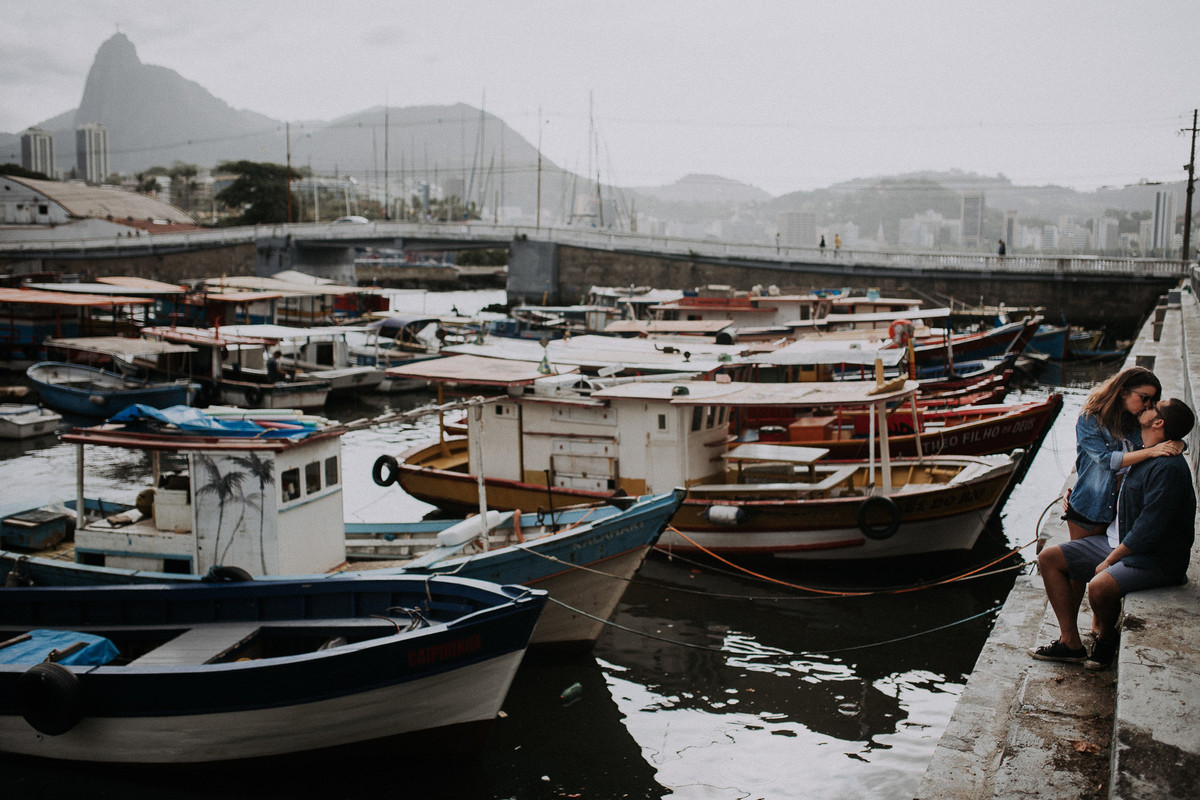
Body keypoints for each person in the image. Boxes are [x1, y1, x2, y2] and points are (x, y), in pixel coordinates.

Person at [1029, 397, 1195, 670]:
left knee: (1099, 586)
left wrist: (1110, 560)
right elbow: (1108, 475)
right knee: (1048, 559)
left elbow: (1148, 528)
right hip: (1117, 542)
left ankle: (1107, 637)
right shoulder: (1145, 450)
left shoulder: (1167, 468)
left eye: (1153, 406)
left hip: (1153, 558)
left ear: (1158, 422)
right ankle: (1070, 643)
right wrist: (1077, 495)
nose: (1146, 406)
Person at [1063, 367, 1179, 543]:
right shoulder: (1090, 420)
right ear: (1124, 392)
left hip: (1123, 511)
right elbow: (1105, 460)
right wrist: (1150, 452)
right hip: (1090, 508)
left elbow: (1166, 431)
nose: (1148, 405)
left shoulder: (1135, 421)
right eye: (1144, 398)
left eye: (1152, 400)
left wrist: (1180, 443)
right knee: (1081, 558)